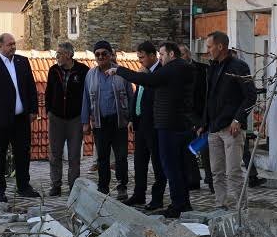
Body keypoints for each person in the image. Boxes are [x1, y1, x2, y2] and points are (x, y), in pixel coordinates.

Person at [109, 41, 194, 218]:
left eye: (162, 54)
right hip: (175, 124)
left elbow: (147, 80)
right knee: (176, 167)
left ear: (171, 54)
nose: (160, 58)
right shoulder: (182, 68)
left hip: (168, 125)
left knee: (171, 168)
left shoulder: (171, 69)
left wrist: (119, 70)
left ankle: (178, 205)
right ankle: (182, 203)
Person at [0, 32, 40, 201]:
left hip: (21, 119)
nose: (13, 47)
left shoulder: (22, 62)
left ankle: (24, 186)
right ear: (0, 46)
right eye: (9, 44)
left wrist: (33, 110)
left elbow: (31, 87)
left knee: (23, 154)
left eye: (14, 44)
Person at [201, 31, 257, 209]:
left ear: (220, 46)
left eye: (210, 46)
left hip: (231, 129)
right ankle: (220, 206)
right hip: (214, 128)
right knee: (216, 172)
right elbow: (209, 97)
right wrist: (204, 123)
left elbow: (251, 96)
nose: (207, 50)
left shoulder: (239, 66)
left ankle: (242, 210)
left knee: (233, 172)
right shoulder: (212, 67)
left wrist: (238, 119)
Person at [81, 40, 134, 198]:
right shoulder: (90, 75)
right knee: (102, 158)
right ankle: (103, 187)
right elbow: (85, 99)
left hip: (119, 121)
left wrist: (132, 118)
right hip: (100, 121)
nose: (101, 56)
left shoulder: (121, 73)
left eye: (104, 53)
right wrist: (85, 122)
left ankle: (122, 186)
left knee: (121, 157)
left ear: (110, 54)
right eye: (97, 54)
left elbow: (130, 97)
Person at [124, 41, 167, 209]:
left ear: (152, 55)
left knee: (157, 163)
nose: (139, 60)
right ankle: (139, 194)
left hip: (154, 125)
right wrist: (132, 118)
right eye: (138, 57)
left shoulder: (159, 72)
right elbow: (138, 96)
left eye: (142, 57)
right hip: (140, 124)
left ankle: (157, 198)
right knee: (139, 162)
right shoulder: (143, 72)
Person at [45, 42, 89, 197]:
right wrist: (49, 111)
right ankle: (55, 185)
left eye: (59, 53)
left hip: (75, 119)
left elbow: (87, 95)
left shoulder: (83, 70)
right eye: (56, 53)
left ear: (69, 55)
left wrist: (85, 117)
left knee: (74, 155)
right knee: (54, 154)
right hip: (56, 118)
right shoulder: (53, 70)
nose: (56, 56)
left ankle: (73, 186)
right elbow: (48, 92)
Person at [179, 43, 212, 193]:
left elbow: (208, 94)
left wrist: (201, 121)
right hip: (185, 116)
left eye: (183, 54)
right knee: (189, 149)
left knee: (205, 150)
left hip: (203, 115)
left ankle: (211, 180)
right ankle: (193, 180)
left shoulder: (204, 69)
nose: (181, 58)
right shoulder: (176, 72)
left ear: (189, 54)